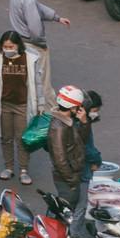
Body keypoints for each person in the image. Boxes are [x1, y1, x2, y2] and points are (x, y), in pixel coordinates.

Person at [8, 0, 70, 119]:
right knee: (43, 82)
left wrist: (56, 17)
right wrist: (42, 44)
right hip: (32, 44)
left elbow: (38, 7)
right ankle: (54, 116)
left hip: (20, 42)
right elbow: (35, 29)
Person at [0, 33, 30, 182]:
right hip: (4, 104)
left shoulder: (28, 59)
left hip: (22, 105)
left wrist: (41, 104)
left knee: (22, 139)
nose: (8, 49)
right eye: (5, 47)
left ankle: (24, 169)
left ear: (18, 46)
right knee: (6, 138)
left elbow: (37, 82)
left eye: (11, 47)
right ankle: (9, 167)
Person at [46, 86, 90, 228]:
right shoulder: (58, 127)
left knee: (64, 208)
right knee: (64, 211)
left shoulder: (68, 122)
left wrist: (84, 123)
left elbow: (80, 141)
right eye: (78, 106)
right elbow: (60, 159)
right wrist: (72, 180)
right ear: (72, 107)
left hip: (71, 174)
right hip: (67, 177)